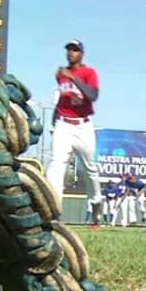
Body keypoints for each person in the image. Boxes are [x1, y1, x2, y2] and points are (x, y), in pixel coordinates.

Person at [46, 39, 103, 228]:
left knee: (90, 169)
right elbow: (62, 100)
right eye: (69, 49)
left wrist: (73, 78)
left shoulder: (88, 72)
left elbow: (93, 95)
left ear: (82, 54)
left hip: (83, 125)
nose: (71, 52)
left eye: (75, 50)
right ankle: (53, 212)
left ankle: (96, 206)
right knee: (56, 166)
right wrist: (54, 123)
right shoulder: (60, 74)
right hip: (64, 124)